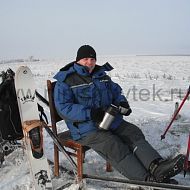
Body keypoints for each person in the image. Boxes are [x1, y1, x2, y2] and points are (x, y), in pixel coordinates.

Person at [53, 45, 185, 183]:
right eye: (85, 59)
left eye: (92, 59)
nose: (89, 62)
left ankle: (157, 167)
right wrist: (90, 113)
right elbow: (64, 108)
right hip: (85, 128)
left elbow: (116, 92)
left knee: (133, 132)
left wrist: (122, 103)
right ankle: (146, 179)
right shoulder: (66, 80)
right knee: (113, 144)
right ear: (77, 60)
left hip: (108, 120)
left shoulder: (101, 76)